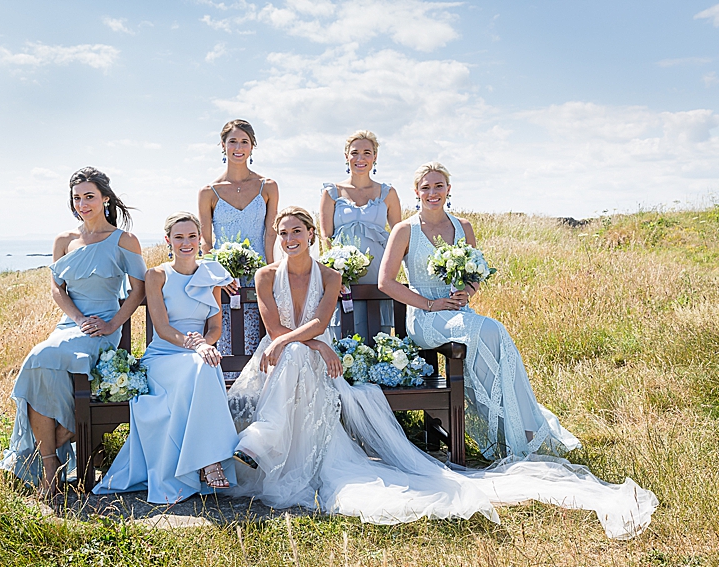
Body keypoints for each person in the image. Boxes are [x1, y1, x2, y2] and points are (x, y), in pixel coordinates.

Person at [227, 207, 657, 539]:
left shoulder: (331, 274)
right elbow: (275, 329)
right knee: (299, 356)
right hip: (282, 357)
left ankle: (265, 440)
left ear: (309, 234)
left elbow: (319, 324)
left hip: (300, 357)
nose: (288, 239)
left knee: (302, 356)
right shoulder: (266, 276)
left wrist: (311, 343)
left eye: (296, 232)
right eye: (282, 233)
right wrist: (305, 344)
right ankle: (267, 438)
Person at [378, 161, 581, 459]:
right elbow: (385, 282)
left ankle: (514, 425)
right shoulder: (404, 230)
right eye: (426, 188)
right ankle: (512, 427)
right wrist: (430, 304)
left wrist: (467, 291)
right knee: (493, 329)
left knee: (494, 339)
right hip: (425, 318)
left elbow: (476, 273)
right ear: (416, 192)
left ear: (449, 190)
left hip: (459, 313)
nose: (432, 193)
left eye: (438, 186)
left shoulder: (463, 227)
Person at [0, 167, 146, 498]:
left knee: (42, 357)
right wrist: (78, 318)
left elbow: (138, 291)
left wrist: (111, 324)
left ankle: (59, 444)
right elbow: (56, 289)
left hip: (103, 327)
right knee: (41, 364)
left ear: (105, 198)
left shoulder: (124, 240)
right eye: (77, 198)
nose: (82, 204)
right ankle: (52, 468)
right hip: (72, 325)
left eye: (89, 197)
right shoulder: (64, 240)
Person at [94, 212, 240, 502]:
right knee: (205, 365)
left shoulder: (212, 275)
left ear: (200, 239)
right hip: (163, 355)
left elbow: (215, 327)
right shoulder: (157, 275)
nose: (186, 243)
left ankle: (207, 460)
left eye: (191, 236)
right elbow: (161, 329)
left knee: (205, 365)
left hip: (197, 353)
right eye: (179, 237)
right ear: (168, 241)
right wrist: (196, 347)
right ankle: (209, 459)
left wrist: (205, 344)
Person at [198, 119, 279, 378]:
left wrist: (269, 275)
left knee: (258, 340)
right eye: (232, 141)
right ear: (223, 146)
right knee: (226, 341)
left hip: (258, 277)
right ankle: (226, 402)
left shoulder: (268, 186)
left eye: (244, 141)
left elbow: (270, 234)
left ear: (253, 147)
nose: (238, 147)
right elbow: (206, 242)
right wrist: (219, 276)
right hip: (223, 279)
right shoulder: (208, 192)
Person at [318, 130, 401, 339]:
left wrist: (393, 273)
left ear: (375, 157)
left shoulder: (387, 193)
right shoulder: (331, 193)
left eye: (367, 153)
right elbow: (326, 237)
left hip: (377, 272)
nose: (360, 158)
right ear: (346, 156)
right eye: (355, 153)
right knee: (344, 331)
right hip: (344, 274)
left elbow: (400, 235)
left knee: (378, 334)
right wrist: (336, 274)